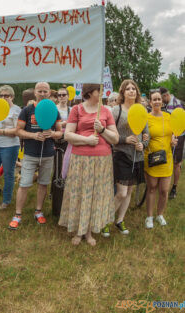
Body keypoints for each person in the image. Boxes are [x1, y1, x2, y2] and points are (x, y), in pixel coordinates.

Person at [59, 84, 119, 246]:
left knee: (95, 194)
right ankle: (79, 230)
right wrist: (86, 140)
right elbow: (67, 135)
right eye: (99, 90)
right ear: (90, 92)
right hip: (81, 159)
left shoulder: (106, 111)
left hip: (102, 160)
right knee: (80, 193)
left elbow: (115, 139)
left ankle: (90, 230)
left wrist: (102, 130)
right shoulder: (77, 109)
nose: (102, 93)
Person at [8, 82, 63, 230]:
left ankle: (38, 211)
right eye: (40, 91)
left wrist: (52, 134)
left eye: (45, 91)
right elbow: (18, 131)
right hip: (30, 154)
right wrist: (33, 135)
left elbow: (60, 132)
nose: (43, 94)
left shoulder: (54, 110)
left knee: (43, 184)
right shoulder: (26, 110)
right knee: (24, 183)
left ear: (49, 93)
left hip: (48, 154)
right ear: (35, 92)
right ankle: (17, 214)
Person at [106, 79, 149, 237]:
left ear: (137, 92)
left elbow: (146, 133)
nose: (131, 91)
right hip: (121, 154)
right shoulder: (116, 111)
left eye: (134, 89)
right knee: (121, 192)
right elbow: (111, 135)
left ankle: (120, 220)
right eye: (128, 89)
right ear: (122, 92)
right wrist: (125, 140)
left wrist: (143, 144)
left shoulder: (142, 109)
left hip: (137, 156)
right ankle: (107, 220)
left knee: (129, 190)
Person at [144, 89, 177, 228]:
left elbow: (174, 133)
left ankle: (160, 215)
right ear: (150, 102)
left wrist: (174, 140)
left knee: (164, 190)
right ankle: (149, 217)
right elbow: (140, 135)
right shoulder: (146, 118)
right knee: (152, 188)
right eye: (154, 99)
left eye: (159, 99)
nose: (157, 101)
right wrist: (143, 138)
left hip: (167, 158)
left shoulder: (169, 117)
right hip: (151, 158)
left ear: (162, 101)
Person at [159, 87, 184, 199]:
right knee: (166, 159)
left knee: (176, 163)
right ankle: (164, 184)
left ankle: (174, 187)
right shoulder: (164, 104)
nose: (160, 100)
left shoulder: (176, 104)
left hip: (178, 136)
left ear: (165, 95)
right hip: (167, 136)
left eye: (161, 97)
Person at [51, 87, 71, 217]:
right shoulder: (54, 109)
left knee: (68, 172)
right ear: (57, 97)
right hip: (56, 142)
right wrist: (63, 125)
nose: (62, 97)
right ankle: (56, 204)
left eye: (64, 95)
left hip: (69, 142)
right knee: (57, 172)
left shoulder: (72, 110)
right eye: (60, 95)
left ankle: (67, 203)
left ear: (68, 96)